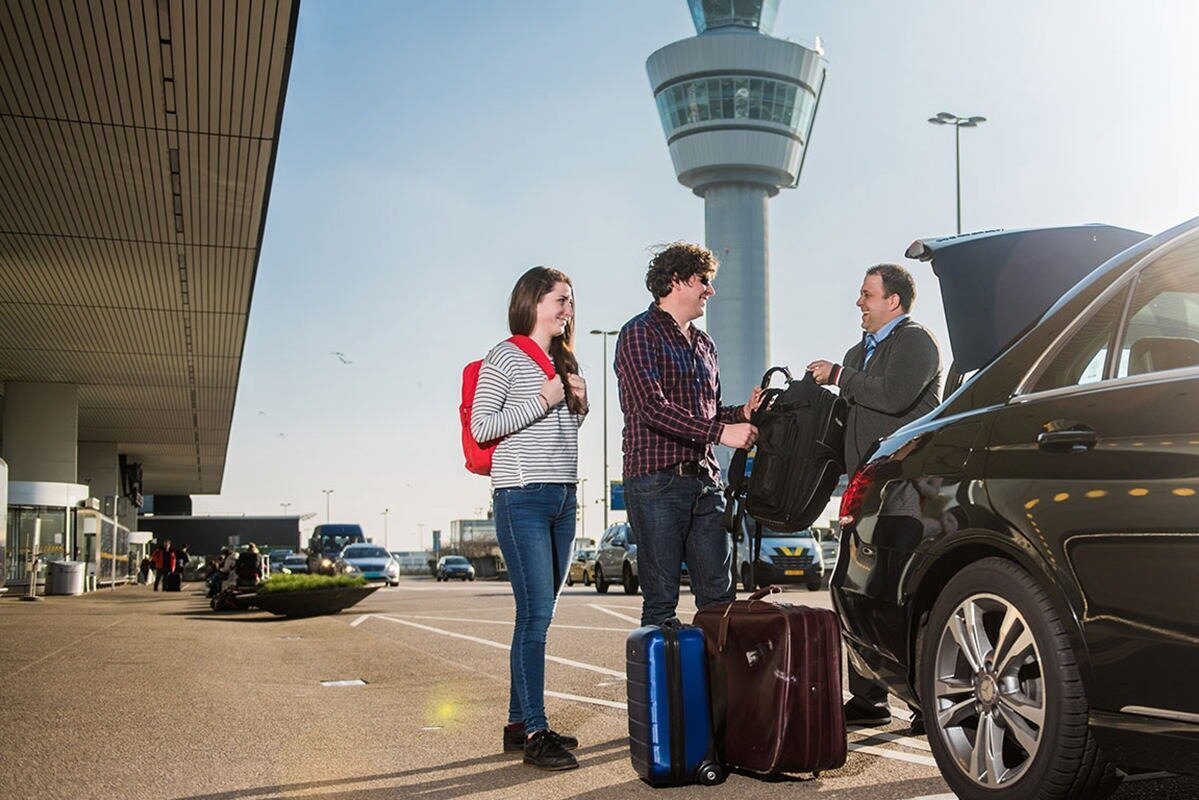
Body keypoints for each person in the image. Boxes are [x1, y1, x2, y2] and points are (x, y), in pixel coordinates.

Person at [807, 262, 941, 734]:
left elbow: (894, 396)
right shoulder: (855, 351)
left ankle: (928, 701)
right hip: (863, 492)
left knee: (904, 594)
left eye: (867, 294)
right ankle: (868, 697)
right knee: (857, 591)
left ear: (894, 302)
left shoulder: (916, 342)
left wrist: (840, 374)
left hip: (906, 492)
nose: (859, 302)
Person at [470, 266, 589, 772]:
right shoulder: (506, 355)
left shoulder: (564, 360)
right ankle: (537, 732)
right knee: (536, 616)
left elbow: (563, 433)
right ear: (533, 301)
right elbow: (482, 427)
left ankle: (519, 724)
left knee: (538, 614)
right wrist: (545, 398)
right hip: (522, 497)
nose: (566, 309)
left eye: (569, 302)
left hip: (563, 498)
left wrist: (578, 405)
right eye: (559, 300)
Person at [614, 242, 761, 628]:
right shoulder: (638, 334)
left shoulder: (704, 344)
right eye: (704, 281)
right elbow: (652, 407)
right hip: (656, 482)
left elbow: (709, 413)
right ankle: (666, 690)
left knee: (719, 599)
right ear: (676, 280)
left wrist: (742, 413)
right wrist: (721, 431)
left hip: (705, 484)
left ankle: (716, 689)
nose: (710, 291)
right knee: (661, 602)